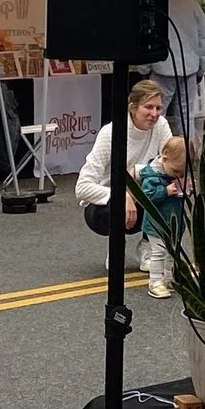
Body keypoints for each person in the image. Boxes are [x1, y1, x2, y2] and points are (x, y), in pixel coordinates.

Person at [75, 78, 174, 295]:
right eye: (148, 107)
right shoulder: (110, 133)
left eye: (158, 107)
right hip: (107, 204)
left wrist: (136, 178)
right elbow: (82, 187)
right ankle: (116, 248)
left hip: (144, 194)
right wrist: (122, 194)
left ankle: (150, 247)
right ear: (132, 108)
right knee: (116, 207)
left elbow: (169, 164)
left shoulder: (161, 126)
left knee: (171, 192)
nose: (155, 114)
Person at [148, 0, 205, 146]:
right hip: (190, 66)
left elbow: (149, 36)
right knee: (186, 114)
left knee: (156, 112)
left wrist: (145, 67)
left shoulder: (156, 6)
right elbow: (203, 40)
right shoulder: (194, 6)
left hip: (161, 66)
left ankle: (153, 152)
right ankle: (187, 157)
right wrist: (202, 68)